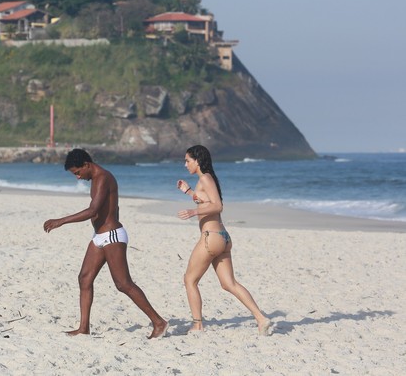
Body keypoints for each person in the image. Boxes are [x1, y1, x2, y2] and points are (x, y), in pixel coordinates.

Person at [43, 148, 169, 339]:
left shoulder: (103, 178)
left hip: (112, 236)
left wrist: (60, 221)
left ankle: (159, 322)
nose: (77, 177)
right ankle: (83, 328)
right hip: (100, 237)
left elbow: (93, 211)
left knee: (123, 284)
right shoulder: (94, 179)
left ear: (86, 164)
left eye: (77, 172)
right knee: (84, 278)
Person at [176, 145, 272, 336]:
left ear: (197, 160)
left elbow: (218, 206)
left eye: (187, 160)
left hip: (210, 238)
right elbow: (208, 201)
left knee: (189, 280)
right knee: (229, 284)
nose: (185, 164)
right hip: (222, 238)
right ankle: (261, 319)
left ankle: (197, 325)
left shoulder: (205, 178)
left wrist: (193, 211)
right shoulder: (207, 179)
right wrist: (187, 191)